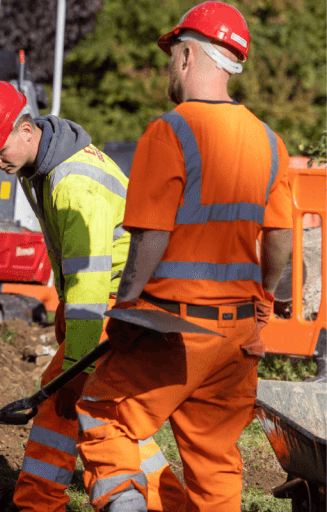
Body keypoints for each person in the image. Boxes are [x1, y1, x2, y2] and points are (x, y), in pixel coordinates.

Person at [74, 2, 294, 511]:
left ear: (191, 55)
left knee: (104, 416)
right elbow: (278, 238)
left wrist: (127, 303)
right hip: (237, 336)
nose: (170, 68)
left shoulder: (169, 131)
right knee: (214, 457)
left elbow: (151, 235)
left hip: (175, 329)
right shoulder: (270, 141)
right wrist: (262, 297)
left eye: (173, 56)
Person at [0, 81, 185, 512]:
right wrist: (67, 308)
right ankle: (169, 504)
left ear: (26, 130)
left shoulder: (73, 183)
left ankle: (37, 504)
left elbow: (91, 277)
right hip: (112, 299)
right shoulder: (42, 166)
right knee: (110, 419)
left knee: (60, 404)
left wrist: (74, 364)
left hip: (115, 300)